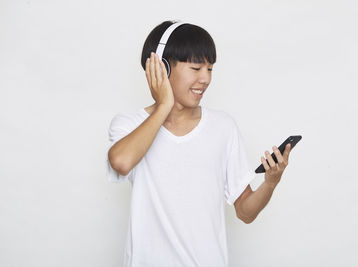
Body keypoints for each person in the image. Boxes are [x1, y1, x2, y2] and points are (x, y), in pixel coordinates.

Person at [106, 20, 292, 267]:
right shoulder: (129, 124)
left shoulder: (223, 127)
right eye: (196, 68)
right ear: (162, 68)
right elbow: (121, 162)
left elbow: (245, 212)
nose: (205, 79)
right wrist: (164, 105)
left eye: (210, 69)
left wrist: (270, 183)